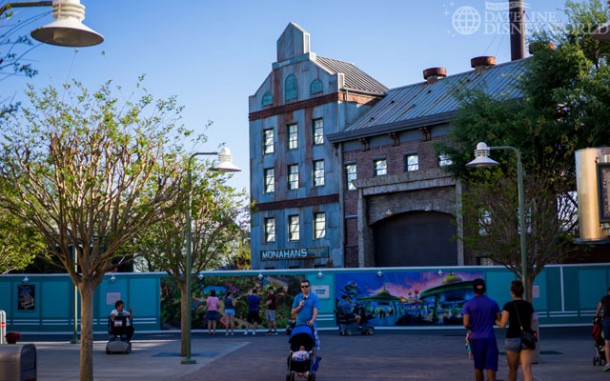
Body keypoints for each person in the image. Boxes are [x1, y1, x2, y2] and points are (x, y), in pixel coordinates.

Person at [496, 280, 536, 381]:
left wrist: (495, 320)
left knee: (513, 369)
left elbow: (502, 324)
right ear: (522, 291)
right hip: (527, 339)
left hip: (512, 339)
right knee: (527, 369)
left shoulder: (508, 306)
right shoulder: (529, 305)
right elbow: (530, 323)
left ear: (512, 292)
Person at [462, 278, 500, 381]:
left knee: (478, 366)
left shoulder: (468, 305)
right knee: (491, 366)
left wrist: (472, 326)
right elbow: (498, 318)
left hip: (476, 338)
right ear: (485, 289)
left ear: (473, 290)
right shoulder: (493, 303)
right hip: (490, 338)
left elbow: (465, 323)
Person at [291, 279, 320, 349]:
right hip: (299, 325)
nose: (304, 288)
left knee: (314, 343)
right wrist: (299, 306)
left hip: (310, 325)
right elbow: (293, 312)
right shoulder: (297, 297)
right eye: (302, 287)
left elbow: (315, 311)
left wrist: (312, 320)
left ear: (309, 287)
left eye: (306, 286)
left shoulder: (314, 297)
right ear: (301, 288)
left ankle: (314, 356)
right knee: (298, 343)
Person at [597, 287, 610, 372]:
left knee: (607, 342)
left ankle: (608, 363)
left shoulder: (604, 298)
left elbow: (598, 309)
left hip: (607, 320)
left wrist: (598, 316)